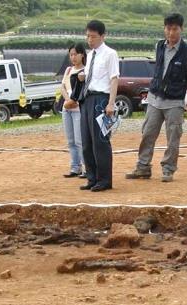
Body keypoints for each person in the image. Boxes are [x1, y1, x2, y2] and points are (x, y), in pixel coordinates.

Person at [126, 13, 187, 183]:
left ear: (181, 29)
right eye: (168, 28)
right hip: (154, 98)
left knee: (173, 137)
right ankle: (143, 167)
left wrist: (180, 94)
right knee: (148, 133)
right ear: (164, 29)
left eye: (175, 29)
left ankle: (168, 169)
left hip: (174, 101)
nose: (171, 33)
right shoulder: (159, 46)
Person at [78, 20, 120, 192]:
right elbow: (91, 76)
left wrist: (111, 103)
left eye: (93, 36)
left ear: (103, 36)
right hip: (87, 99)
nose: (90, 40)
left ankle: (104, 179)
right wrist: (82, 76)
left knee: (100, 141)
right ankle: (92, 177)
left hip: (101, 100)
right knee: (87, 141)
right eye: (88, 36)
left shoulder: (110, 54)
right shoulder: (91, 55)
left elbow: (114, 78)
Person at [60, 43, 86, 178]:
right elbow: (63, 87)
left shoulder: (85, 71)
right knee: (70, 140)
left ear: (82, 54)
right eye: (71, 55)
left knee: (79, 140)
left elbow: (83, 90)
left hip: (78, 109)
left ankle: (86, 168)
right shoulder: (69, 70)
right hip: (67, 107)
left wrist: (73, 102)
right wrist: (67, 101)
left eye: (76, 54)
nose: (73, 57)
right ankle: (75, 167)